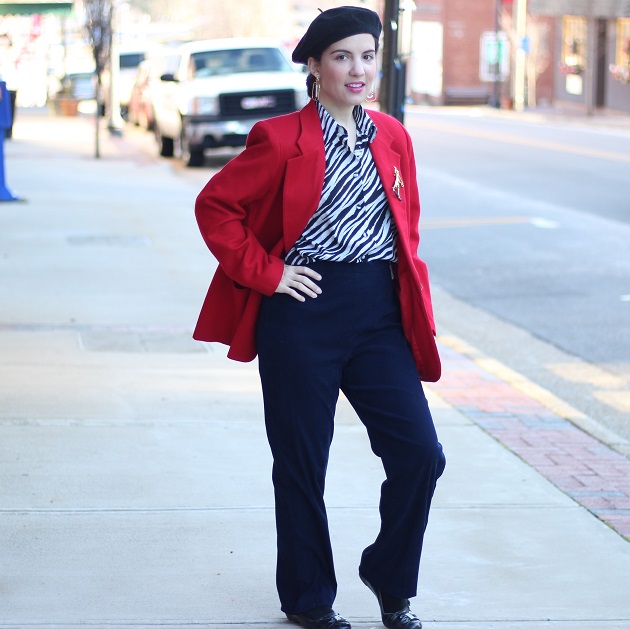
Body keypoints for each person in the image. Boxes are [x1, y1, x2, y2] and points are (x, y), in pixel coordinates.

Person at [193, 6, 446, 629]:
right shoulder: (280, 138)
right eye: (342, 56)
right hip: (302, 311)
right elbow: (215, 205)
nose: (358, 69)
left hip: (378, 313)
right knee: (304, 461)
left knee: (420, 454)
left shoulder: (392, 135)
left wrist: (406, 298)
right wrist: (269, 273)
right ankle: (308, 598)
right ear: (315, 65)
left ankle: (389, 576)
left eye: (367, 55)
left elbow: (404, 231)